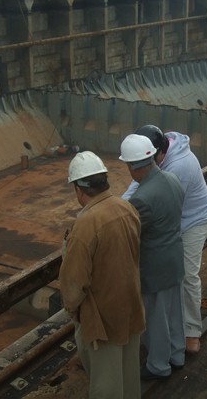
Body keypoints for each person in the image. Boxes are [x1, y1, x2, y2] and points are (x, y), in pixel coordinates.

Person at [59, 151, 145, 399]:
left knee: (106, 383)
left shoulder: (85, 225)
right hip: (131, 304)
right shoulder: (126, 208)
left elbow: (74, 284)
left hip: (103, 317)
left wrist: (74, 310)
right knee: (129, 374)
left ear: (78, 189)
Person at [123, 125, 207, 354]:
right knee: (172, 278)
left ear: (159, 154)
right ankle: (172, 333)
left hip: (192, 221)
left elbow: (166, 208)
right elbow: (139, 182)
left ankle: (192, 332)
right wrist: (119, 208)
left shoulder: (180, 166)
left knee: (187, 275)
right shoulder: (157, 157)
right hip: (174, 220)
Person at [119, 133, 185, 380]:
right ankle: (177, 355)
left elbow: (132, 235)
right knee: (175, 313)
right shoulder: (172, 179)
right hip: (174, 258)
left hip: (155, 267)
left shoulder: (141, 199)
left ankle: (159, 365)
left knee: (156, 319)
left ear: (133, 166)